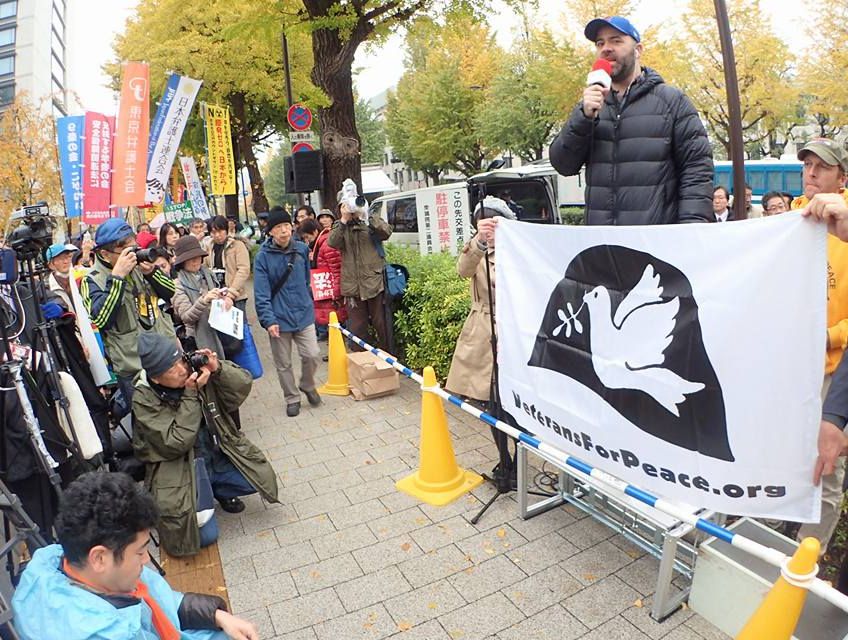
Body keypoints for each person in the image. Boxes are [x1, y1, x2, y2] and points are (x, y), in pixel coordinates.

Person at [11, 471, 259, 639]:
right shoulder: (100, 632)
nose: (145, 560)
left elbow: (162, 600)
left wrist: (217, 615)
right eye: (140, 551)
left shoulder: (56, 563)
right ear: (99, 558)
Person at [548, 15, 713, 225]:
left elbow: (697, 169)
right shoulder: (590, 107)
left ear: (638, 50)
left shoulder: (672, 102)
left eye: (616, 40)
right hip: (603, 245)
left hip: (654, 245)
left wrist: (690, 229)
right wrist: (583, 117)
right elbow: (563, 165)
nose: (606, 48)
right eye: (600, 43)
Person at [133, 332, 278, 554]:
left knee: (259, 478)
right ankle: (202, 494)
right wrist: (191, 395)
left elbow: (241, 388)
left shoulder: (194, 371)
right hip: (181, 469)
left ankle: (217, 490)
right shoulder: (144, 398)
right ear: (155, 378)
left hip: (215, 452)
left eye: (181, 360)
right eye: (172, 369)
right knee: (205, 537)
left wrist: (217, 367)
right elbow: (176, 442)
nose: (182, 370)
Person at [789, 138, 848, 553]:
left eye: (821, 167)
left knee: (827, 466)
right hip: (787, 363)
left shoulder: (845, 228)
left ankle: (807, 557)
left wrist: (828, 336)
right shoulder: (785, 222)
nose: (811, 173)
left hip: (833, 370)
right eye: (807, 165)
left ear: (842, 178)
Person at [80, 218, 176, 403]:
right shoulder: (92, 279)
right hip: (134, 367)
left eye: (134, 248)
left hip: (165, 355)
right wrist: (117, 277)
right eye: (126, 251)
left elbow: (169, 291)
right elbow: (101, 319)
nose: (133, 254)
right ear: (104, 254)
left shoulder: (141, 266)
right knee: (150, 424)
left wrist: (151, 273)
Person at [445, 197, 515, 406]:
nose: (489, 229)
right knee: (484, 387)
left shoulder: (516, 250)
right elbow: (463, 270)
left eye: (494, 223)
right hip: (482, 325)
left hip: (513, 324)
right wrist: (479, 241)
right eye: (483, 223)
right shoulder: (477, 250)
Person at [254, 209, 321, 417]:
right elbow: (261, 293)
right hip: (278, 318)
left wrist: (307, 301)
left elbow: (305, 279)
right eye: (277, 228)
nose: (283, 231)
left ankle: (307, 384)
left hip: (303, 313)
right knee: (283, 363)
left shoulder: (301, 249)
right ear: (270, 232)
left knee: (312, 354)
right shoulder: (262, 257)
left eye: (286, 226)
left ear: (291, 227)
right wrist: (268, 320)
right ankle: (292, 398)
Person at [327, 193, 393, 350]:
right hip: (352, 287)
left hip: (374, 282)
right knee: (357, 328)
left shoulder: (369, 223)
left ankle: (388, 359)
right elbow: (333, 242)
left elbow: (386, 232)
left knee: (381, 324)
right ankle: (361, 363)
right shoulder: (340, 226)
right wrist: (344, 220)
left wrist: (367, 215)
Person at [172, 235, 228, 357]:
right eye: (190, 258)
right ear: (182, 262)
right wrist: (204, 300)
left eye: (198, 257)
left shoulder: (208, 274)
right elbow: (187, 317)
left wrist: (225, 299)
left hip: (219, 331)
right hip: (198, 339)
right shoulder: (178, 285)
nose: (195, 261)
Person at [310, 209, 347, 342]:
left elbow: (336, 267)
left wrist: (336, 290)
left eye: (327, 217)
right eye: (322, 217)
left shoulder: (329, 239)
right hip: (325, 283)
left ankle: (339, 351)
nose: (324, 220)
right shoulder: (321, 237)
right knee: (334, 319)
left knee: (337, 319)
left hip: (331, 285)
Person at [206, 216, 250, 314]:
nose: (217, 235)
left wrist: (231, 293)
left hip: (236, 295)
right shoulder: (208, 247)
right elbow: (204, 268)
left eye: (220, 231)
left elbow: (243, 270)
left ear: (226, 230)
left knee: (239, 326)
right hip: (216, 295)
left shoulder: (237, 245)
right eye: (213, 232)